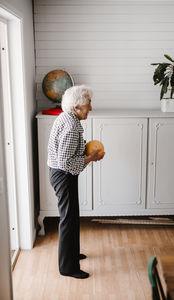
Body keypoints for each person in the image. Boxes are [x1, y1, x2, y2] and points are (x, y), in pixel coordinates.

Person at [47, 85, 105, 279]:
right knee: (68, 219)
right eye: (88, 104)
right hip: (63, 175)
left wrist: (88, 155)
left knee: (72, 216)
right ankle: (67, 267)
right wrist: (91, 158)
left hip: (61, 173)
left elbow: (68, 156)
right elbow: (65, 162)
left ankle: (72, 254)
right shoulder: (71, 126)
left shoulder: (66, 118)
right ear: (77, 107)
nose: (91, 108)